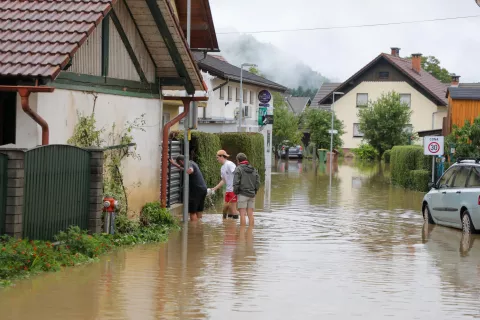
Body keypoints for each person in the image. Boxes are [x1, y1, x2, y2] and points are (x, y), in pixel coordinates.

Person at [169, 155, 207, 221]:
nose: (180, 165)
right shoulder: (192, 162)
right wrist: (174, 164)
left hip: (196, 191)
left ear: (181, 161)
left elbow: (190, 169)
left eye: (179, 163)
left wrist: (190, 170)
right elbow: (184, 169)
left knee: (192, 212)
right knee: (199, 210)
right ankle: (199, 228)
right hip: (203, 189)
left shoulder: (189, 164)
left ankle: (193, 229)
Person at [233, 153, 260, 226]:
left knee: (242, 214)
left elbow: (236, 183)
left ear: (238, 160)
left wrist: (236, 192)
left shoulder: (238, 169)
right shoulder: (253, 169)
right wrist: (254, 191)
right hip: (252, 195)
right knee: (250, 214)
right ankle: (250, 234)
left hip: (242, 194)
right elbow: (258, 182)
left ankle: (242, 234)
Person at [210, 150, 238, 220]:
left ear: (222, 156)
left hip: (233, 190)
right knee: (226, 208)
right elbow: (223, 180)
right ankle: (228, 225)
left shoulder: (229, 164)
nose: (217, 159)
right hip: (228, 190)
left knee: (233, 209)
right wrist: (214, 188)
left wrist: (238, 187)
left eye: (217, 157)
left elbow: (237, 174)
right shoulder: (222, 168)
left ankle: (234, 226)